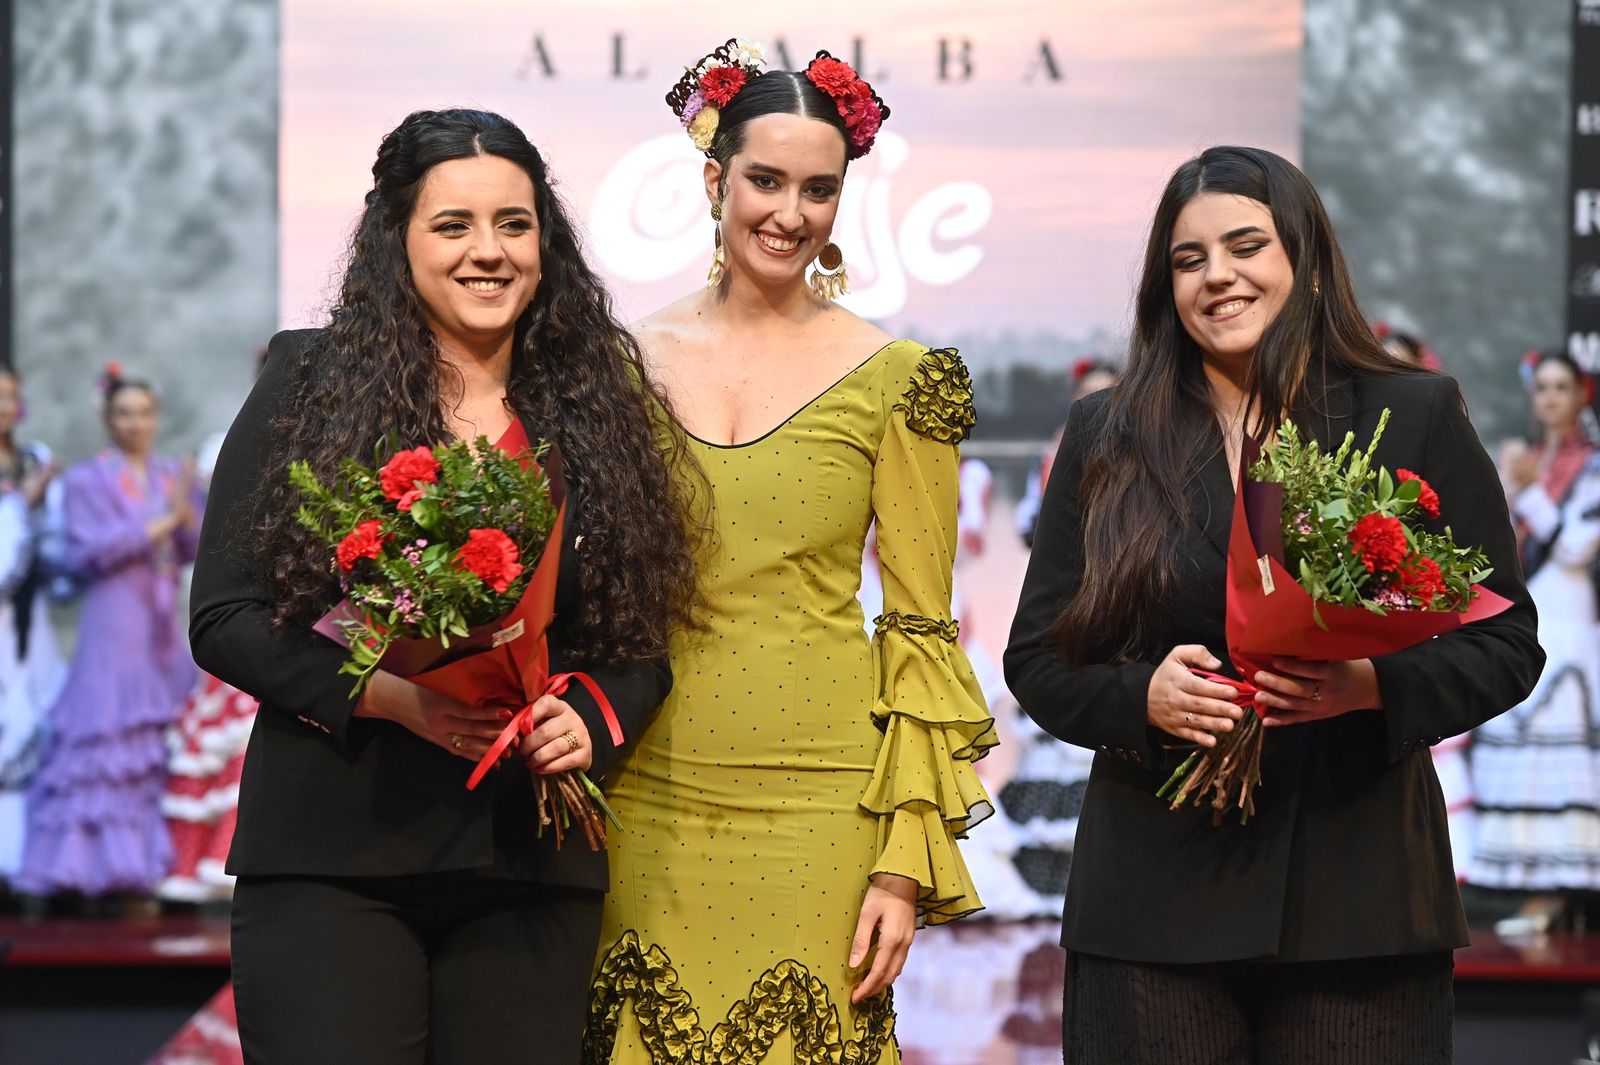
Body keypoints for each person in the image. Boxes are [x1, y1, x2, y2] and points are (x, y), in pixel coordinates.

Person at [1005, 145, 1542, 1064]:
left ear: (1302, 254)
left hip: (1359, 894)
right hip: (1153, 900)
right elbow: (1038, 659)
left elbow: (1504, 643)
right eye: (1188, 259)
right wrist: (1145, 698)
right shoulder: (1107, 431)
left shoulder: (1409, 413)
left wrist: (1367, 683)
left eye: (1245, 245)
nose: (1218, 276)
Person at [188, 109, 697, 1065]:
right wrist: (392, 696)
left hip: (529, 859)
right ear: (399, 239)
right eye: (453, 225)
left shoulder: (592, 406)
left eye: (514, 223)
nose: (489, 252)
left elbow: (637, 643)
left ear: (547, 241)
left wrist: (587, 716)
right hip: (334, 855)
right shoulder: (311, 381)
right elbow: (225, 617)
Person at [583, 41, 995, 1064]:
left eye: (819, 189)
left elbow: (918, 630)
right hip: (651, 791)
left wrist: (901, 863)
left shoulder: (899, 378)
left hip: (823, 798)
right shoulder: (620, 364)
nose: (789, 212)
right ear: (715, 179)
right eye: (765, 180)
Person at [15, 367, 201, 898]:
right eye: (124, 413)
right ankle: (84, 867)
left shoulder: (170, 475)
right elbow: (83, 552)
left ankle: (156, 869)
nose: (135, 423)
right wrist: (158, 526)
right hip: (112, 617)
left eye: (143, 413)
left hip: (161, 621)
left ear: (156, 417)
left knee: (159, 740)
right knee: (103, 738)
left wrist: (186, 514)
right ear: (107, 417)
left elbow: (190, 550)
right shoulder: (86, 479)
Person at [1469, 350, 1600, 928]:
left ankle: (1558, 894)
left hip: (1568, 617)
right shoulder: (1526, 458)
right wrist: (1511, 484)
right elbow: (1496, 531)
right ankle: (1529, 887)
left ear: (1581, 395)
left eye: (1561, 386)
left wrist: (1531, 494)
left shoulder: (1592, 467)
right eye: (1541, 387)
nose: (1549, 397)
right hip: (1525, 610)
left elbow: (1576, 546)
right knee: (1518, 747)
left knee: (1557, 745)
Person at [0, 366, 66, 883]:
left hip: (32, 619)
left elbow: (59, 553)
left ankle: (27, 872)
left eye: (11, 396)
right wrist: (21, 503)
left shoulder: (33, 459)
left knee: (36, 727)